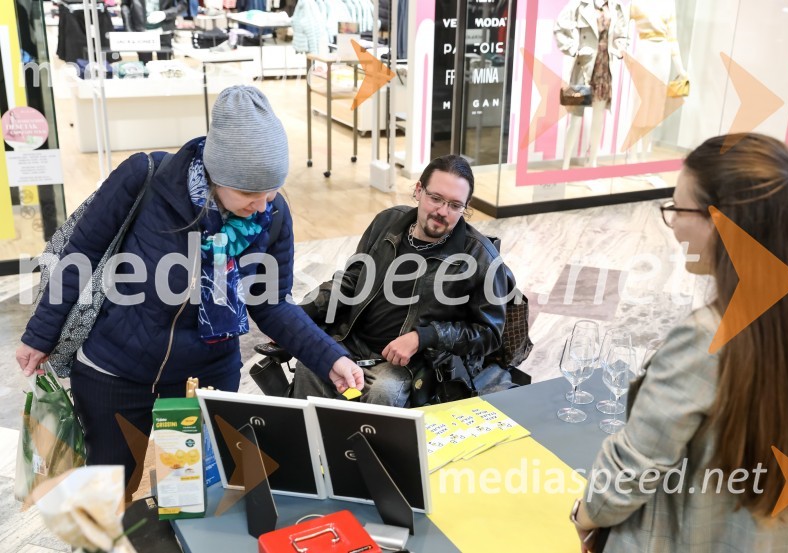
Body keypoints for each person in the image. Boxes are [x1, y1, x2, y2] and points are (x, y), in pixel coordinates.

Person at [15, 86, 364, 498]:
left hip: (202, 384)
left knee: (185, 501)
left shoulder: (270, 216)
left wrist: (330, 357)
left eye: (271, 191)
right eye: (249, 193)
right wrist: (39, 336)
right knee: (109, 502)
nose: (262, 204)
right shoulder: (145, 179)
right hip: (114, 373)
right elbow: (80, 256)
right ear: (217, 175)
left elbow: (271, 303)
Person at [570, 133, 788, 551]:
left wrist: (584, 513)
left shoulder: (707, 337)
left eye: (678, 209)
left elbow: (632, 470)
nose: (673, 225)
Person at [292, 155, 512, 407]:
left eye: (454, 205)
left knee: (383, 393)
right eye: (436, 198)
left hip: (411, 363)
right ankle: (311, 443)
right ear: (418, 190)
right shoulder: (388, 222)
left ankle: (370, 446)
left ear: (466, 206)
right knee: (309, 364)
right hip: (352, 339)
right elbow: (352, 279)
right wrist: (298, 315)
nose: (442, 211)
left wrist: (425, 337)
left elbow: (489, 334)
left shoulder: (481, 258)